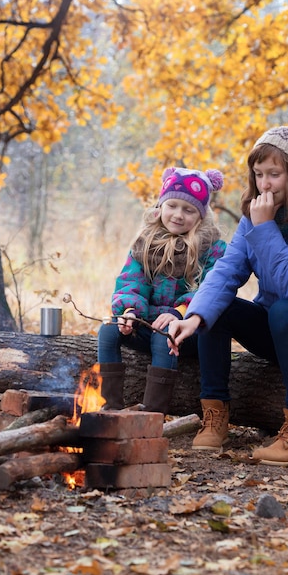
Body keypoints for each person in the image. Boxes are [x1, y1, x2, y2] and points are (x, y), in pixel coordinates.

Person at [168, 126, 288, 465]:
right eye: (259, 174)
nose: (265, 184)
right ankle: (214, 411)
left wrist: (265, 227)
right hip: (280, 327)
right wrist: (194, 317)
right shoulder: (256, 214)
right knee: (221, 308)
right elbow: (227, 271)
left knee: (286, 309)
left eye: (275, 174)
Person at [97, 166, 227, 415]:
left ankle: (153, 413)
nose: (178, 215)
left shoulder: (212, 249)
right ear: (161, 207)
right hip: (147, 322)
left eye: (188, 210)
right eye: (172, 206)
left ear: (201, 216)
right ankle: (110, 408)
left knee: (163, 333)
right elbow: (131, 282)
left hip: (190, 331)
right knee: (108, 330)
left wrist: (179, 312)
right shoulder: (145, 243)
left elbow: (210, 288)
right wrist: (130, 311)